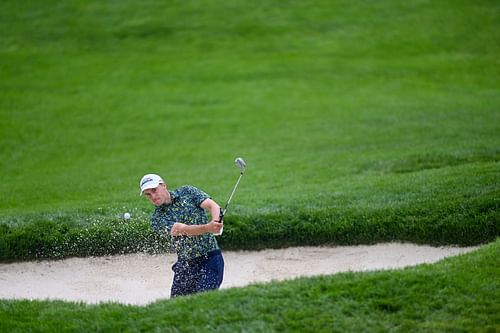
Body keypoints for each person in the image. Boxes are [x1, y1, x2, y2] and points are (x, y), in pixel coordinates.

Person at [139, 173, 224, 297]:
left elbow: (213, 206)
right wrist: (208, 227)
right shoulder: (157, 219)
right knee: (177, 305)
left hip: (210, 259)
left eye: (154, 190)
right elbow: (184, 230)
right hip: (185, 265)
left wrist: (216, 222)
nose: (153, 196)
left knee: (202, 300)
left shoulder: (187, 191)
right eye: (148, 194)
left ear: (163, 185)